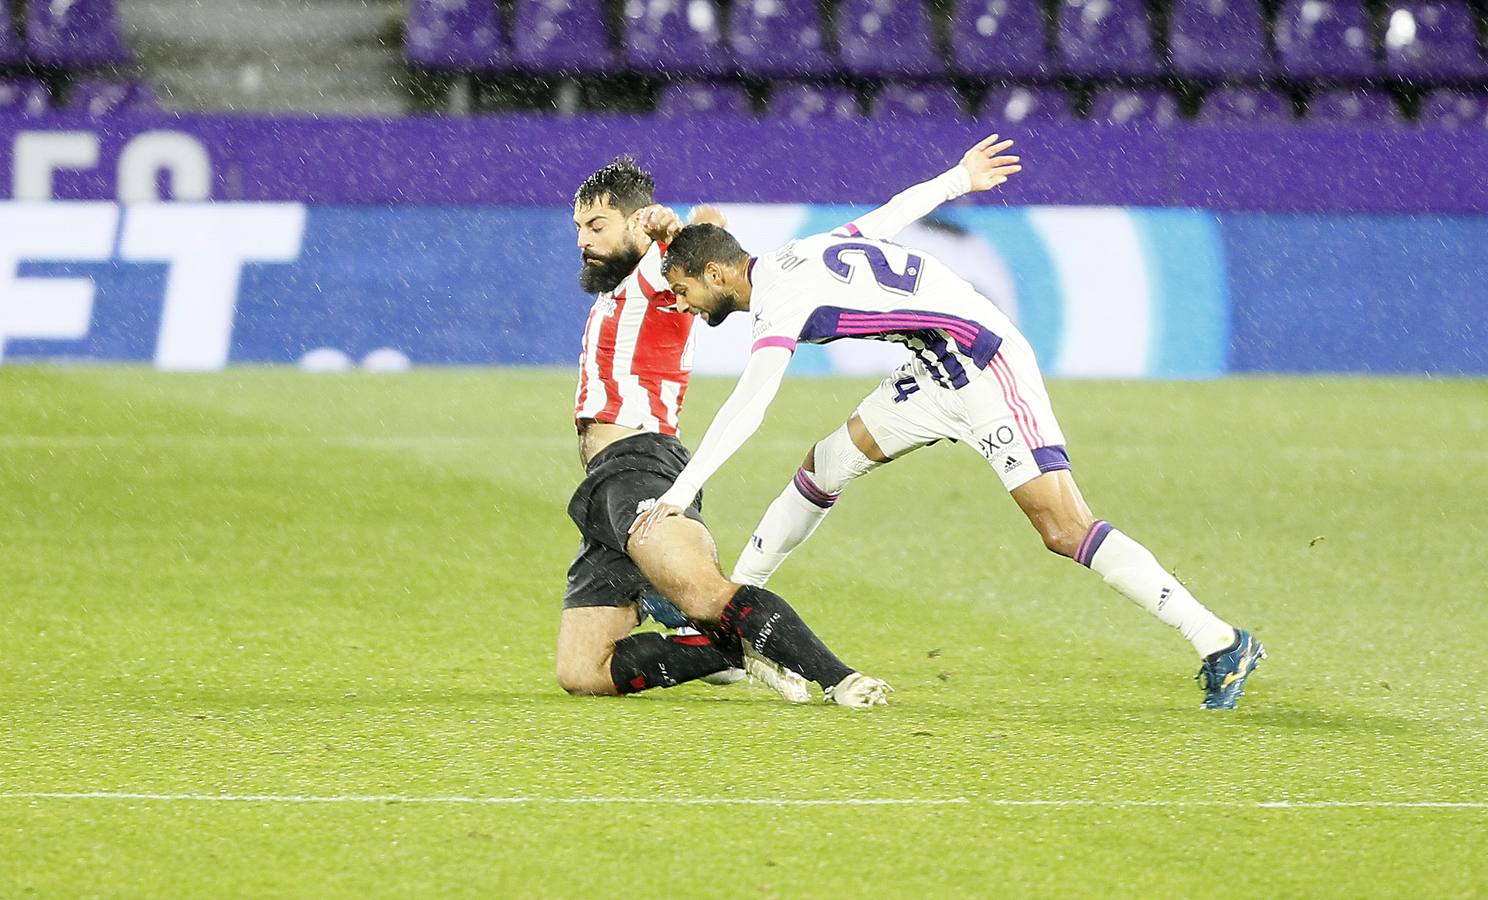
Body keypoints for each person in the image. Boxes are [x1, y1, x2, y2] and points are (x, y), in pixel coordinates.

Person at [631, 137, 1267, 711]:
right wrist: (957, 179)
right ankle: (734, 613)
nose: (683, 304)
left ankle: (1218, 639)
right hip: (933, 370)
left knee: (1063, 527)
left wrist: (678, 496)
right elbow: (885, 220)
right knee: (826, 464)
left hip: (987, 368)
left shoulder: (779, 299)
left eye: (684, 290)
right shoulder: (801, 254)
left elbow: (751, 402)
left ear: (715, 273)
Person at [557, 155, 891, 708]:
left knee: (706, 593)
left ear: (635, 224)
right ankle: (730, 652)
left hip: (639, 466)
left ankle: (840, 678)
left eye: (597, 226)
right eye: (578, 229)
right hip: (604, 487)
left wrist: (669, 228)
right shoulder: (625, 286)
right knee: (582, 669)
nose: (582, 241)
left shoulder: (660, 275)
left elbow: (707, 224)